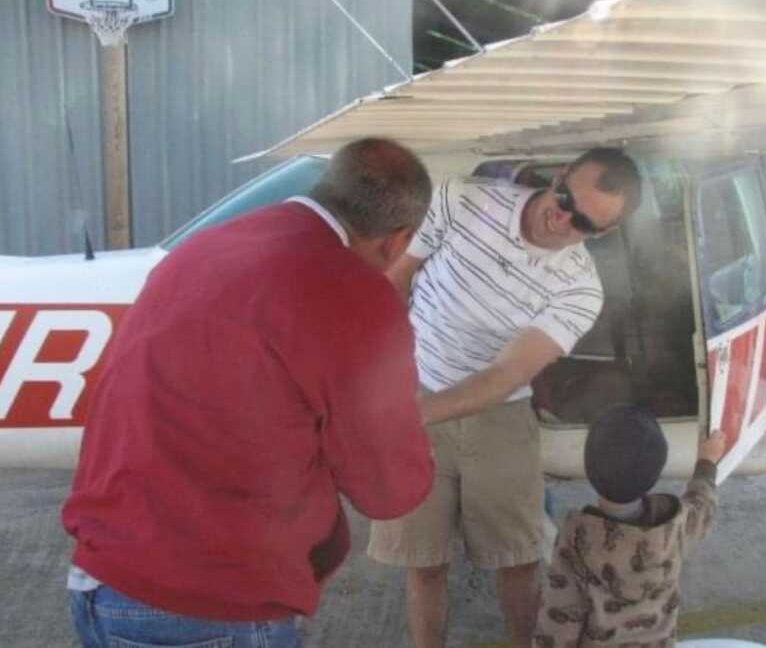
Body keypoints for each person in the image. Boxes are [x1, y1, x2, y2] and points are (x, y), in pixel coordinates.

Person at [62, 137, 436, 648]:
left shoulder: (204, 246)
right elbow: (387, 490)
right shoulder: (353, 291)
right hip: (206, 606)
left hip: (100, 581)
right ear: (397, 242)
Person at [368, 148, 643, 648]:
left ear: (601, 234)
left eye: (582, 221)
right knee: (422, 562)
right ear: (560, 174)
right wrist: (383, 367)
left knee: (517, 562)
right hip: (415, 383)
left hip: (500, 414)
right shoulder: (462, 197)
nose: (562, 218)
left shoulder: (581, 290)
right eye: (564, 198)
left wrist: (409, 415)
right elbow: (399, 275)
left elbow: (504, 375)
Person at [533, 407, 727, 648]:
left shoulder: (576, 540)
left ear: (589, 469)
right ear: (656, 473)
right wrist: (706, 463)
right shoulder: (675, 525)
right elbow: (703, 506)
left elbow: (559, 620)